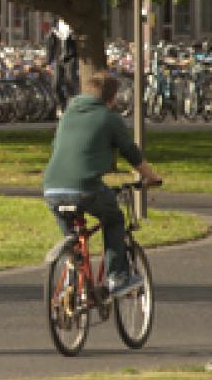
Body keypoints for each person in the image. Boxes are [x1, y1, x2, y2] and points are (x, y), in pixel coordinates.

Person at [42, 74, 163, 297]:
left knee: (73, 237)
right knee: (114, 219)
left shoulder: (68, 116)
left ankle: (72, 275)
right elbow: (131, 152)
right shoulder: (109, 118)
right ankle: (117, 277)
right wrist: (151, 177)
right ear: (113, 97)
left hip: (52, 188)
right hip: (84, 188)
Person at [44, 19, 79, 115]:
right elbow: (50, 46)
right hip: (58, 60)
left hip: (70, 58)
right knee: (55, 84)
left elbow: (78, 44)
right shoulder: (55, 28)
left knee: (70, 81)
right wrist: (48, 62)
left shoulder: (73, 27)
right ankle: (63, 105)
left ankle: (72, 105)